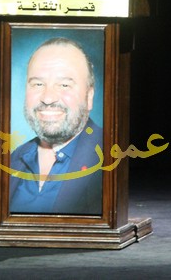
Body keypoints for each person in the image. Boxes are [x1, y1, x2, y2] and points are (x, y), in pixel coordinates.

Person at [8, 37, 103, 214]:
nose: (48, 97)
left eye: (64, 85)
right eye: (38, 84)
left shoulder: (111, 156)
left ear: (89, 96)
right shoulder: (14, 159)